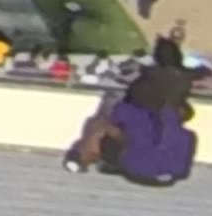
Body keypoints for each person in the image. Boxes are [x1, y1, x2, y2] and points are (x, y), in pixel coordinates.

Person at [64, 41, 198, 185]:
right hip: (142, 109)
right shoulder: (97, 146)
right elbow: (109, 128)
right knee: (166, 75)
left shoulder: (104, 150)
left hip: (149, 110)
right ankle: (164, 49)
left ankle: (165, 50)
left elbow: (111, 127)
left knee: (169, 76)